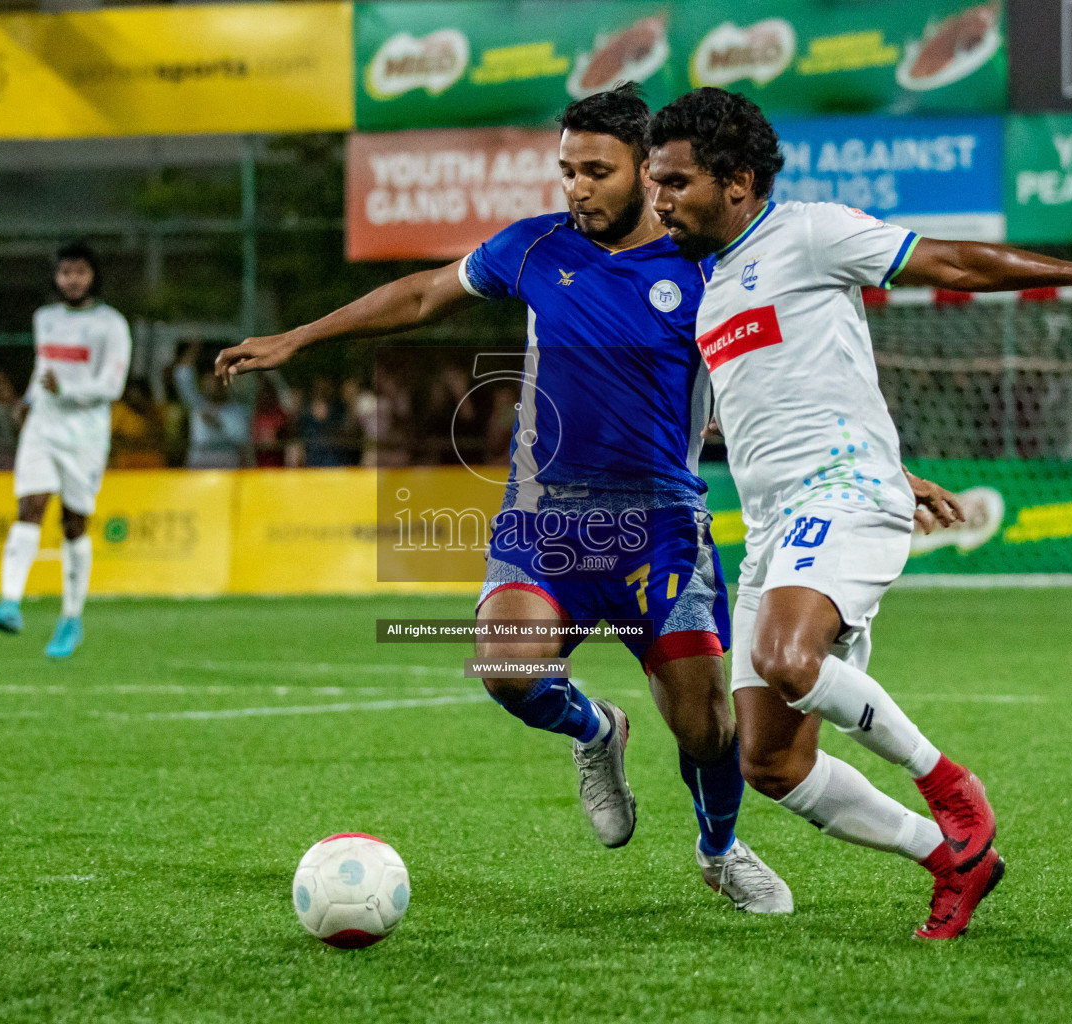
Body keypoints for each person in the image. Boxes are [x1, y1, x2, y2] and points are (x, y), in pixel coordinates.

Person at [218, 85, 810, 915]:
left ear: (648, 171)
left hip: (661, 525)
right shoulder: (534, 249)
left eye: (595, 171)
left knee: (708, 728)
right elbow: (423, 294)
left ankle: (719, 851)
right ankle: (596, 731)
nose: (575, 187)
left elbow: (781, 374)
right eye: (566, 169)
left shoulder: (705, 263)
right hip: (547, 518)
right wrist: (300, 337)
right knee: (506, 669)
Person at [645, 87, 1072, 939]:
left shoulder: (809, 233)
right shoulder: (705, 288)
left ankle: (948, 784)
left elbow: (958, 264)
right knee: (771, 762)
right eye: (652, 182)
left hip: (843, 498)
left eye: (674, 181)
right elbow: (808, 391)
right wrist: (904, 464)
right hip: (777, 524)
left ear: (738, 180)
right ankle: (952, 859)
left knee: (785, 656)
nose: (658, 199)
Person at [0, 240, 130, 659]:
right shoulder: (44, 319)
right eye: (65, 272)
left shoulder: (111, 325)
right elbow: (42, 370)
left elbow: (111, 386)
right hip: (44, 425)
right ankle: (10, 603)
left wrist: (67, 389)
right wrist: (27, 401)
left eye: (80, 272)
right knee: (30, 505)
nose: (72, 279)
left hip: (85, 433)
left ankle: (71, 618)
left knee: (73, 523)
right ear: (56, 276)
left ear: (93, 275)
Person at [171, 340, 251, 469]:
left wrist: (217, 425)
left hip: (226, 468)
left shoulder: (237, 410)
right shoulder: (197, 404)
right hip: (198, 467)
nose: (211, 386)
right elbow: (182, 376)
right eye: (208, 381)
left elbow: (241, 441)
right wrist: (195, 345)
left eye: (216, 381)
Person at [110, 377, 166, 469]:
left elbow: (156, 439)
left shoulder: (154, 413)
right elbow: (112, 438)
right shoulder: (120, 411)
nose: (135, 398)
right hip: (123, 459)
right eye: (132, 394)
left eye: (138, 394)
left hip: (149, 461)